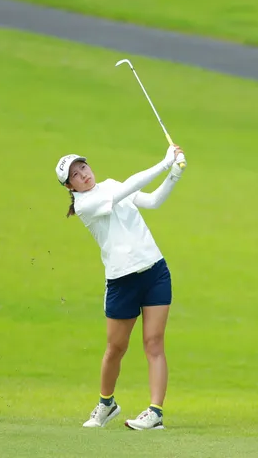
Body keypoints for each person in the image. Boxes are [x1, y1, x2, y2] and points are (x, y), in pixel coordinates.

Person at [54, 145, 187, 430]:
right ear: (69, 186)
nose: (83, 175)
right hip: (121, 281)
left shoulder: (111, 185)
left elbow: (152, 201)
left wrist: (174, 174)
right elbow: (126, 190)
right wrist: (164, 162)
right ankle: (107, 404)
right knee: (116, 348)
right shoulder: (84, 205)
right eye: (75, 175)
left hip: (155, 271)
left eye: (83, 168)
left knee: (154, 343)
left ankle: (155, 412)